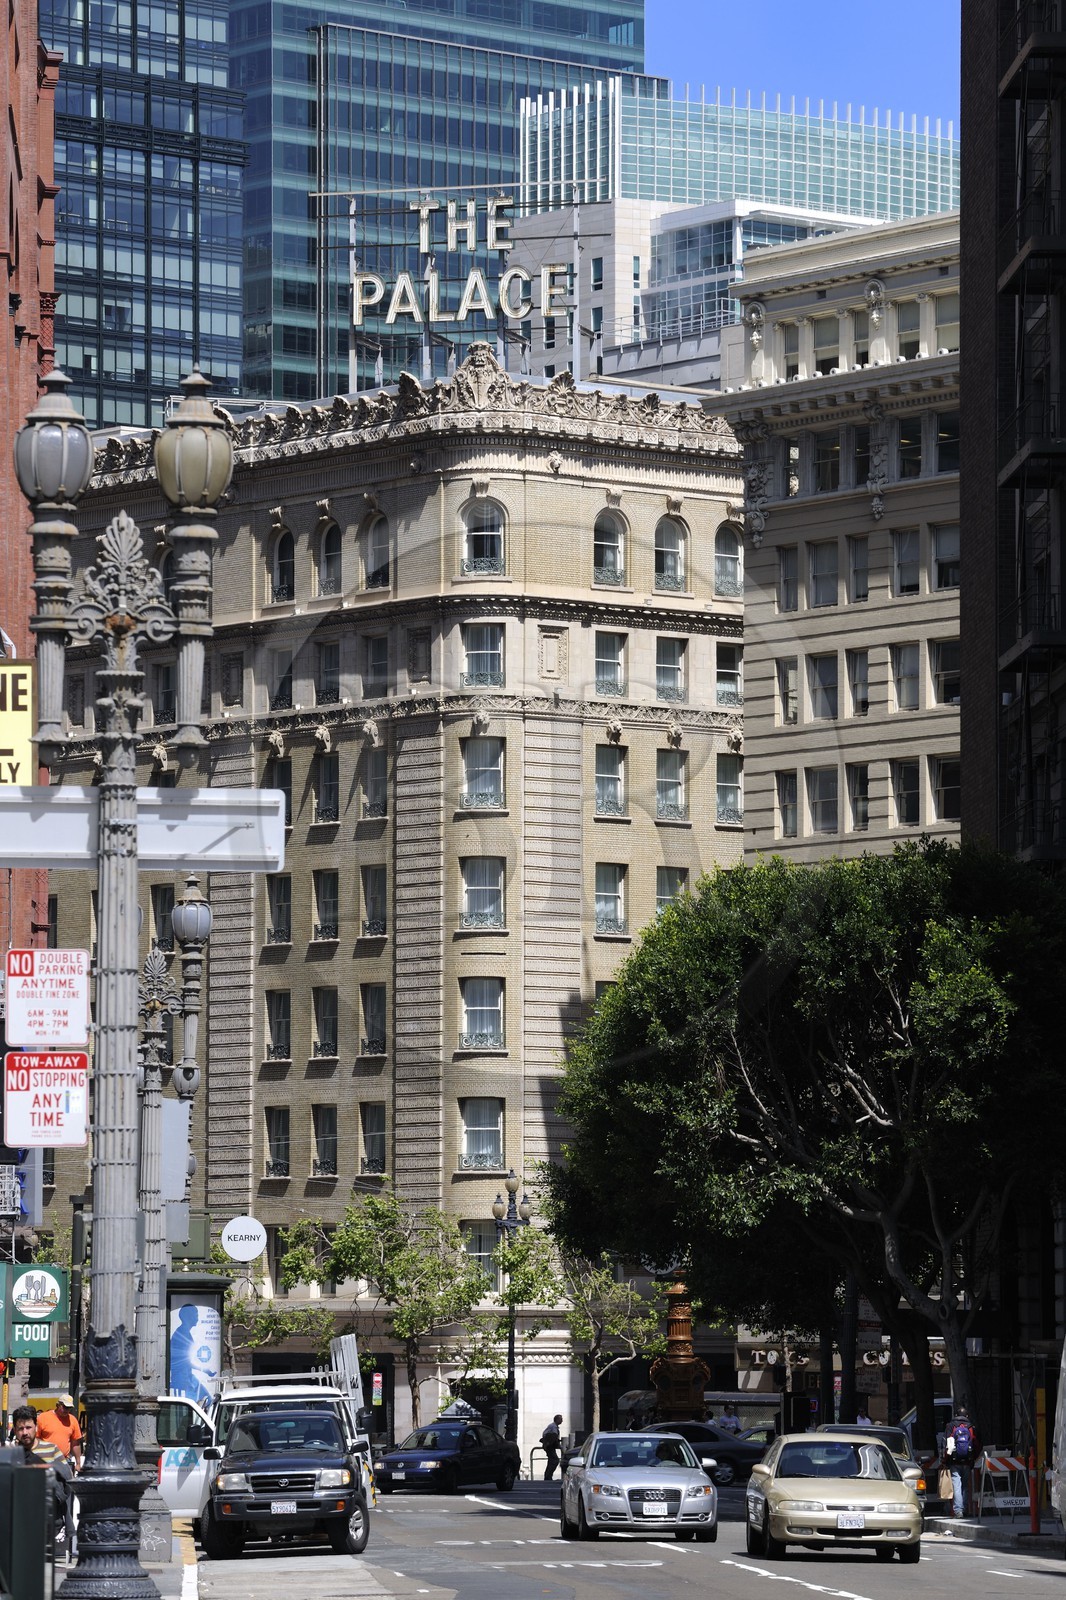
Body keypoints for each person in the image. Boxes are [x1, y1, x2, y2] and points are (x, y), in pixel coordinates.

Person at [11, 1405, 75, 1557]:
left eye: (28, 1427)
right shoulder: (10, 1454)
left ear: (36, 1427)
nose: (25, 1432)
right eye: (20, 1429)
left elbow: (68, 1480)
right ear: (15, 1430)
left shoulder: (51, 1450)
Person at [943, 1405, 980, 1519]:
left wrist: (945, 1459)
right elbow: (977, 1444)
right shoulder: (971, 1427)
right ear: (967, 1415)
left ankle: (959, 1511)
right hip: (968, 1460)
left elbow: (947, 1444)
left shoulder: (951, 1426)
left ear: (955, 1415)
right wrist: (973, 1457)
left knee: (956, 1485)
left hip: (954, 1461)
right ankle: (964, 1508)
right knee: (965, 1486)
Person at [36, 1394, 83, 1471]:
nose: (67, 1410)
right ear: (57, 1405)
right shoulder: (42, 1418)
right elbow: (36, 1440)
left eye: (69, 1408)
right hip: (45, 1460)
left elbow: (75, 1443)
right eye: (65, 1407)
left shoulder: (73, 1420)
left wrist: (78, 1463)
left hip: (64, 1460)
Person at [540, 1414, 563, 1481]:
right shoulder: (553, 1427)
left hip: (549, 1446)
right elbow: (554, 1436)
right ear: (557, 1419)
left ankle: (548, 1476)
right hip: (549, 1446)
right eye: (560, 1419)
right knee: (555, 1460)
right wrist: (557, 1445)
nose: (562, 1421)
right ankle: (548, 1476)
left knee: (551, 1460)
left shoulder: (552, 1426)